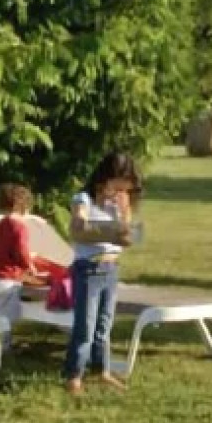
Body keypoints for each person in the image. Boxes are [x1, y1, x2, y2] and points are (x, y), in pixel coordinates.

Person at [62, 151, 142, 395]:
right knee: (85, 325)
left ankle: (101, 370)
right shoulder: (84, 199)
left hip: (111, 268)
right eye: (119, 185)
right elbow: (77, 229)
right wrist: (107, 231)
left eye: (126, 188)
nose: (122, 191)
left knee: (104, 325)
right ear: (105, 178)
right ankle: (74, 375)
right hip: (89, 268)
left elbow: (127, 239)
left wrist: (125, 213)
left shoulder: (117, 204)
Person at [0, 183, 58, 351]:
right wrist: (31, 267)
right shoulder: (20, 227)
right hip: (5, 280)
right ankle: (2, 350)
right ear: (21, 206)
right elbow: (21, 251)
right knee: (4, 319)